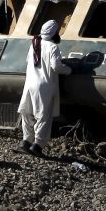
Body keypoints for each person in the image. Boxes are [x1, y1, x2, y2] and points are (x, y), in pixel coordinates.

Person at [17, 20, 71, 157]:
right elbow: (56, 67)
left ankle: (26, 142)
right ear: (54, 33)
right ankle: (38, 145)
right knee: (43, 116)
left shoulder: (34, 44)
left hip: (29, 84)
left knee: (27, 113)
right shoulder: (53, 47)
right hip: (44, 86)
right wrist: (69, 70)